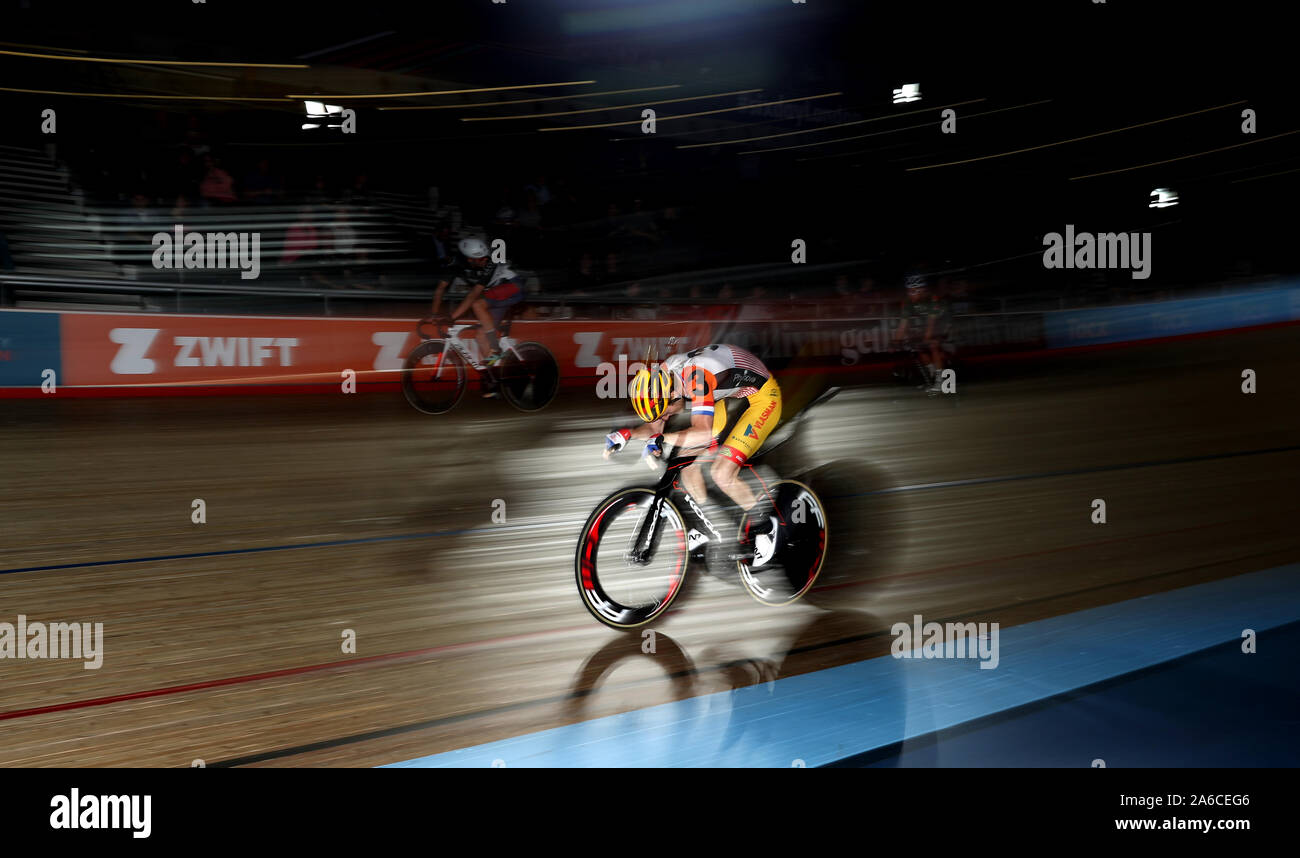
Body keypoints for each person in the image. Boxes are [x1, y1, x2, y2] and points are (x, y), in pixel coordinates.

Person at [604, 344, 783, 567]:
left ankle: (765, 528)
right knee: (685, 464)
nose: (665, 414)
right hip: (719, 394)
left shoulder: (697, 379)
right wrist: (627, 434)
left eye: (665, 408)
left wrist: (663, 438)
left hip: (763, 398)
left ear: (670, 394)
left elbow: (703, 432)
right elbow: (655, 428)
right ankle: (705, 527)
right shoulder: (663, 378)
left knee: (722, 473)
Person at [430, 236, 524, 378]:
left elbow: (474, 294)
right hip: (495, 296)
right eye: (480, 259)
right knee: (480, 336)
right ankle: (492, 377)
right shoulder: (455, 264)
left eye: (485, 257)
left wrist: (452, 317)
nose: (485, 260)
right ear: (469, 259)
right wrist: (434, 314)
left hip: (512, 287)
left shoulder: (490, 262)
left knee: (477, 304)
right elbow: (439, 290)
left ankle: (495, 348)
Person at [893, 274, 952, 392]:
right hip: (928, 321)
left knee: (932, 345)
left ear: (922, 290)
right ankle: (932, 376)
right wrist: (895, 341)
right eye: (909, 291)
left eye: (913, 291)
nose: (910, 294)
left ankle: (941, 382)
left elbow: (931, 325)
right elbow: (902, 325)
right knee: (918, 347)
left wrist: (926, 339)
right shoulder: (908, 302)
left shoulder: (932, 300)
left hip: (944, 321)